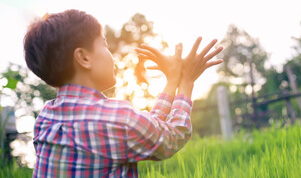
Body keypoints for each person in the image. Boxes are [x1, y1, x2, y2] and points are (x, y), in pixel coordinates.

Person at [23, 9, 223, 177]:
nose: (110, 53)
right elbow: (170, 137)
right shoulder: (115, 118)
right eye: (104, 44)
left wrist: (172, 81)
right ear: (83, 58)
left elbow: (145, 130)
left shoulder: (46, 118)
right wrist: (186, 81)